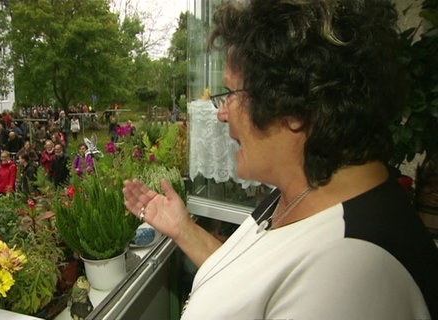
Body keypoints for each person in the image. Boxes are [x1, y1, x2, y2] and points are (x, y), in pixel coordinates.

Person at [122, 1, 438, 319]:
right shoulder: (304, 190)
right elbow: (253, 286)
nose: (220, 113)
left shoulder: (347, 274)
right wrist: (183, 229)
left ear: (293, 107)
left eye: (231, 94)